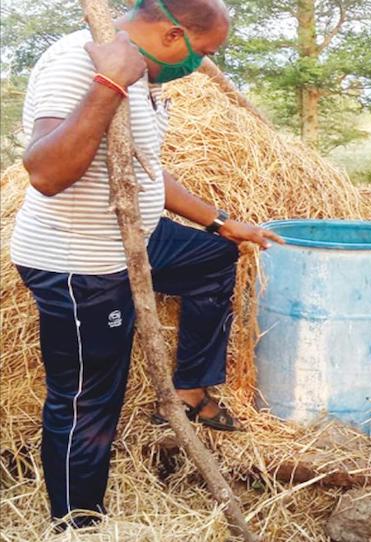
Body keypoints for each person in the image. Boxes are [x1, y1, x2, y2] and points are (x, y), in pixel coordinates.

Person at [11, 0, 284, 528]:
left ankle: (187, 392)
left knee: (213, 257)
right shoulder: (81, 61)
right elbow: (45, 172)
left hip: (133, 238)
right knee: (89, 398)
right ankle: (77, 522)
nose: (199, 64)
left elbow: (146, 173)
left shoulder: (147, 75)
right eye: (201, 53)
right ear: (170, 34)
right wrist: (107, 85)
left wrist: (220, 222)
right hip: (81, 262)